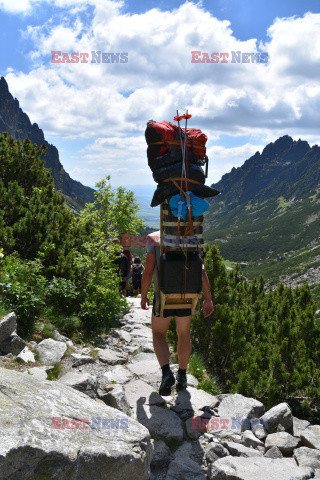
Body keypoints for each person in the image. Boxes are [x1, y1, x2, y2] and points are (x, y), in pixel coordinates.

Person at [140, 230, 214, 396]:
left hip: (163, 296)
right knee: (183, 333)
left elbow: (148, 271)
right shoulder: (193, 239)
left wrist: (143, 296)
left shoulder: (153, 239)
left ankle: (166, 373)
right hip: (187, 297)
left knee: (158, 334)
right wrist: (208, 299)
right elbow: (201, 271)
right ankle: (182, 375)